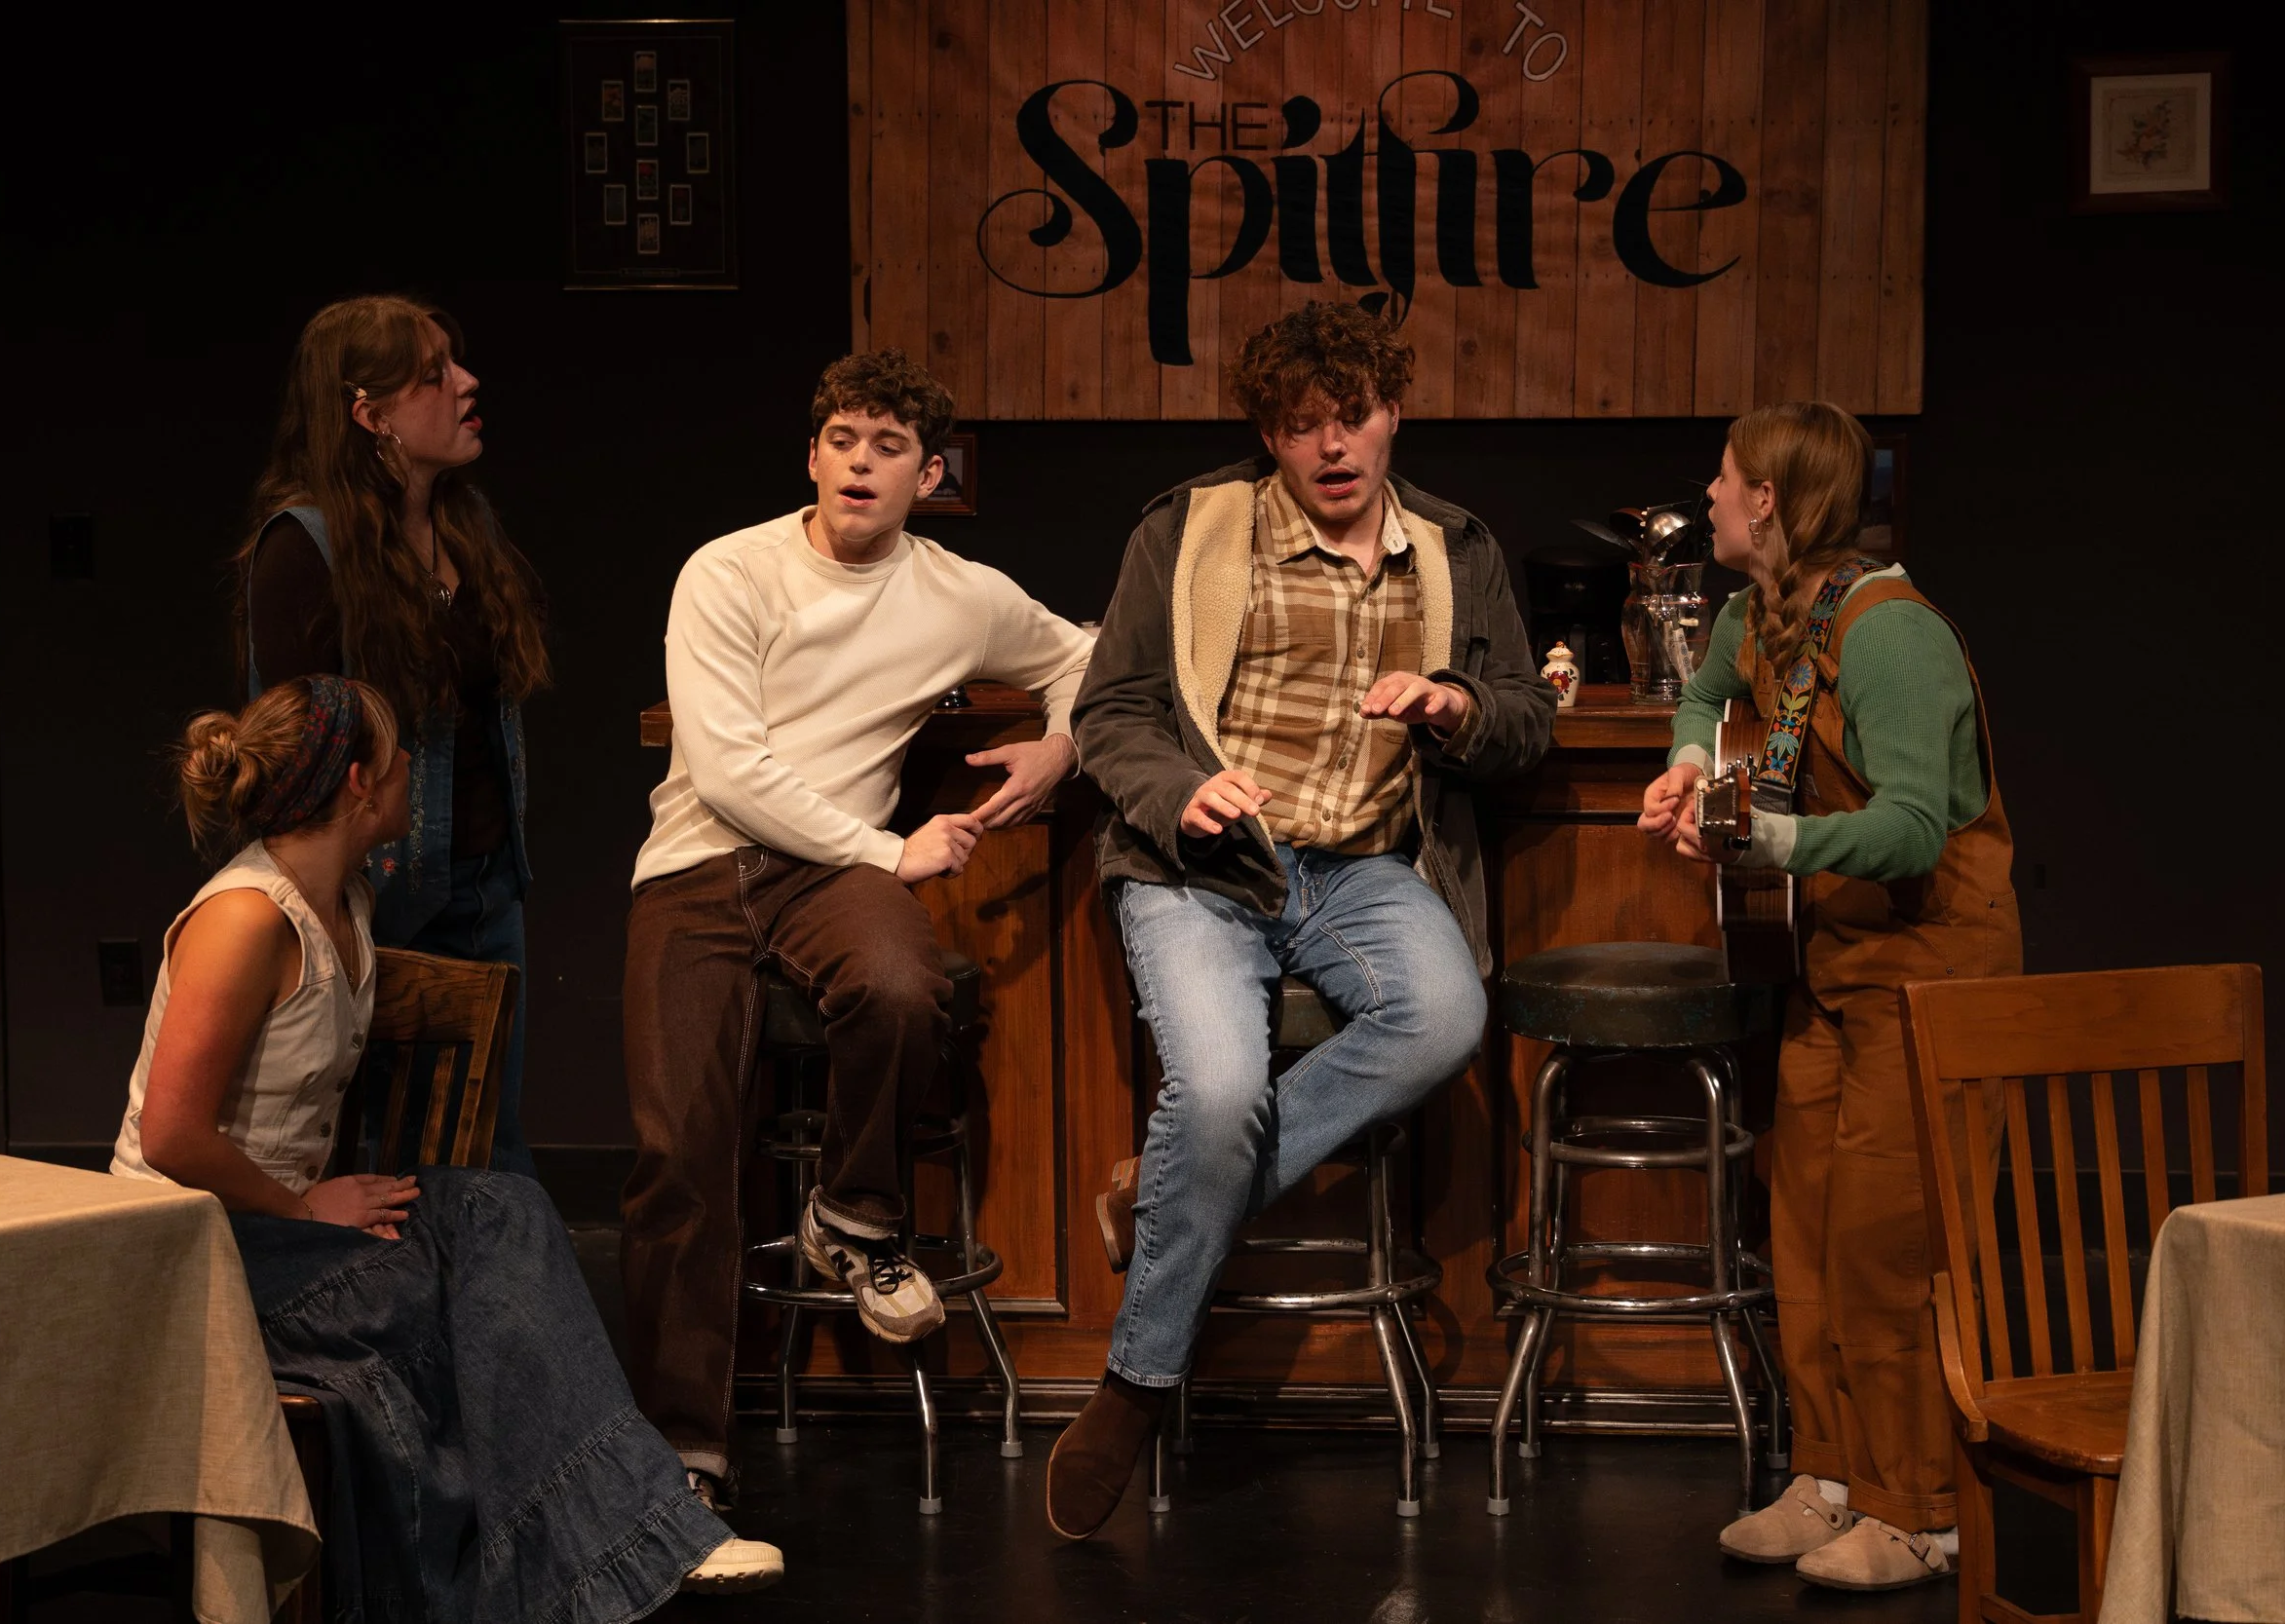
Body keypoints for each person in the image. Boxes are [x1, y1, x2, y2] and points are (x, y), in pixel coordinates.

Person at [110, 674, 782, 1612]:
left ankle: (630, 1533)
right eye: (396, 758)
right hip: (196, 1250)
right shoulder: (244, 918)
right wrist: (305, 1205)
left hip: (278, 1230)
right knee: (451, 1298)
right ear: (358, 782)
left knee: (502, 1210)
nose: (408, 773)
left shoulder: (344, 898)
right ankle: (578, 1560)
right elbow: (173, 1134)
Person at [1048, 302, 1558, 1539]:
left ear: (1393, 414)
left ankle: (1164, 1188)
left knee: (1444, 1017)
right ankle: (1135, 1382)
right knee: (1219, 1091)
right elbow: (1110, 710)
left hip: (1363, 868)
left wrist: (1454, 708)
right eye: (1299, 425)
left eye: (1352, 417)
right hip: (1207, 867)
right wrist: (1180, 791)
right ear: (1267, 436)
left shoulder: (1453, 546)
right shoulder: (1190, 527)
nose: (1331, 445)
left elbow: (1521, 716)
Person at [621, 350, 1093, 1510]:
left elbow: (1086, 652)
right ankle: (684, 1453)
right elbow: (728, 773)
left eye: (888, 447)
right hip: (700, 864)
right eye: (842, 440)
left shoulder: (957, 592)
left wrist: (1060, 745)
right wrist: (889, 851)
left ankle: (853, 1211)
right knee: (682, 1152)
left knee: (900, 983)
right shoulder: (728, 569)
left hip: (827, 872)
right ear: (812, 455)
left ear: (927, 475)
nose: (861, 463)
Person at [1638, 400, 2019, 1591]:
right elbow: (1702, 697)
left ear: (1767, 501)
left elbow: (1910, 830)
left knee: (1888, 1245)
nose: (1708, 493)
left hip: (1933, 966)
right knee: (1801, 1226)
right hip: (1837, 965)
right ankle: (1835, 1474)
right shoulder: (1755, 614)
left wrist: (1767, 841)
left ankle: (1922, 1509)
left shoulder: (1891, 633)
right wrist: (1689, 765)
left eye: (1724, 477)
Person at [238, 294, 548, 1176]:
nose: (467, 383)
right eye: (433, 374)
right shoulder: (305, 548)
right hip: (380, 900)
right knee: (391, 1162)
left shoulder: (464, 525)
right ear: (370, 415)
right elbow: (296, 758)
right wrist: (339, 913)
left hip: (488, 889)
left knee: (488, 1149)